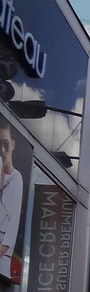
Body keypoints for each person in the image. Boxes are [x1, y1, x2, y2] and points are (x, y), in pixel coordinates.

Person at [0, 120, 25, 281]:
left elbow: (9, 234)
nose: (2, 149)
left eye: (5, 143)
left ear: (13, 144)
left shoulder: (16, 179)